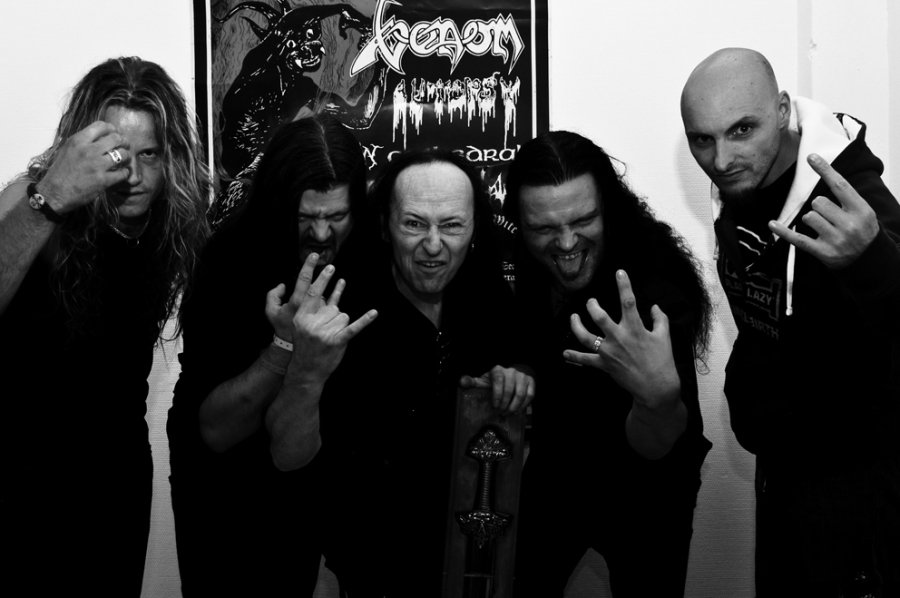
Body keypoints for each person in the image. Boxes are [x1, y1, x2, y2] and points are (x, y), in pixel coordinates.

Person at [680, 47, 900, 596]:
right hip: (785, 473)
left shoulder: (846, 196)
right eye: (702, 139)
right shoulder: (743, 186)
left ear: (782, 111)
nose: (721, 159)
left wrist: (874, 261)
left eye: (742, 130)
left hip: (859, 494)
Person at [267, 148, 535, 596]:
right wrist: (306, 372)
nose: (433, 244)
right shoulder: (338, 311)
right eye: (414, 223)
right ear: (385, 226)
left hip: (471, 567)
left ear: (474, 229)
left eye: (452, 225)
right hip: (372, 570)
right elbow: (286, 456)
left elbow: (519, 375)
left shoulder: (490, 299)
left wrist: (517, 380)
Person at [0, 57, 210, 596]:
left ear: (171, 157)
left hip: (116, 475)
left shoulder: (172, 220)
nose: (132, 176)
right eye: (116, 156)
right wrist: (48, 201)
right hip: (24, 475)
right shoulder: (33, 202)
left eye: (149, 155)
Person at [167, 114, 375, 597]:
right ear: (279, 202)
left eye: (336, 217)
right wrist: (284, 345)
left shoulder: (367, 250)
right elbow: (214, 431)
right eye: (305, 217)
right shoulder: (228, 259)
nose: (321, 233)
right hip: (227, 490)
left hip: (320, 468)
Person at [504, 130, 713, 597]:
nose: (565, 242)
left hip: (648, 489)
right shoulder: (522, 265)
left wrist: (654, 396)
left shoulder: (655, 289)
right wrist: (519, 371)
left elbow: (659, 445)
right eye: (543, 228)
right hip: (558, 473)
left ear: (608, 209)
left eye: (583, 220)